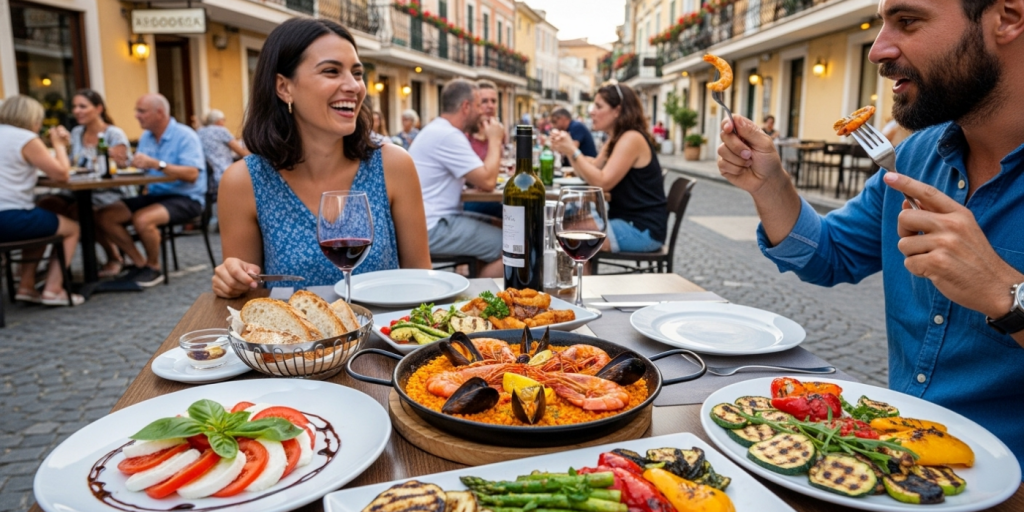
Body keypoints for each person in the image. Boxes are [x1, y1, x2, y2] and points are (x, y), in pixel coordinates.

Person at [716, 0, 1024, 470]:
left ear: (1007, 17)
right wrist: (771, 184)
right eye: (881, 24)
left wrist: (1007, 296)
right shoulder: (915, 155)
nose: (878, 50)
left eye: (907, 21)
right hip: (892, 453)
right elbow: (829, 254)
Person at [211, 18, 431, 297]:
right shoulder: (243, 182)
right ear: (284, 87)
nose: (353, 86)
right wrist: (231, 281)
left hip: (381, 338)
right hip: (295, 340)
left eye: (357, 73)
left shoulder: (393, 166)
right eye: (331, 71)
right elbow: (248, 296)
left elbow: (423, 282)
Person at [95, 94, 206, 288]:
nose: (136, 116)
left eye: (141, 111)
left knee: (143, 219)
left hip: (186, 197)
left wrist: (157, 164)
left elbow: (192, 174)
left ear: (159, 113)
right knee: (105, 215)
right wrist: (124, 162)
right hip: (156, 194)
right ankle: (140, 263)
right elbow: (142, 168)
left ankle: (153, 268)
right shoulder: (147, 137)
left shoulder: (185, 135)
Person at [550, 83, 668, 254]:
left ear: (617, 111)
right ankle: (583, 277)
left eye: (598, 106)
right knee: (569, 227)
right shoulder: (616, 138)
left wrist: (573, 151)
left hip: (642, 230)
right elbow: (593, 168)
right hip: (626, 221)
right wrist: (568, 151)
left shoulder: (631, 138)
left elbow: (602, 182)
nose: (592, 111)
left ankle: (582, 279)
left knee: (569, 232)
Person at [408, 79, 505, 277]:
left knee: (500, 225)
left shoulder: (438, 130)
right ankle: (478, 300)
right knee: (517, 245)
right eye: (479, 105)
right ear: (466, 106)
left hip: (426, 222)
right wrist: (495, 139)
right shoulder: (448, 135)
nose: (481, 111)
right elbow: (488, 181)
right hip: (432, 227)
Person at [38, 89, 133, 278]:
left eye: (83, 106)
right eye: (74, 107)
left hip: (111, 191)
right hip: (81, 190)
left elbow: (122, 163)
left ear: (98, 108)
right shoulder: (77, 132)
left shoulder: (113, 133)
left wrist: (116, 157)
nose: (77, 111)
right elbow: (72, 164)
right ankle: (52, 264)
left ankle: (114, 257)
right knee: (48, 204)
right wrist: (62, 146)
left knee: (80, 211)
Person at [0, 96, 83, 305]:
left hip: (8, 218)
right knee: (72, 228)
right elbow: (62, 174)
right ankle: (54, 290)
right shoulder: (24, 138)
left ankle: (26, 286)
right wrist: (59, 145)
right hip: (10, 217)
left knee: (44, 222)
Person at [463, 79, 505, 218]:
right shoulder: (465, 135)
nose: (490, 106)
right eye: (484, 101)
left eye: (493, 101)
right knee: (515, 212)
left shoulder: (497, 132)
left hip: (492, 194)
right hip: (467, 200)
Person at [198, 109, 250, 187]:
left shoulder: (199, 131)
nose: (224, 122)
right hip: (225, 173)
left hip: (208, 177)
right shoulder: (221, 130)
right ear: (218, 121)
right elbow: (241, 151)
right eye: (223, 120)